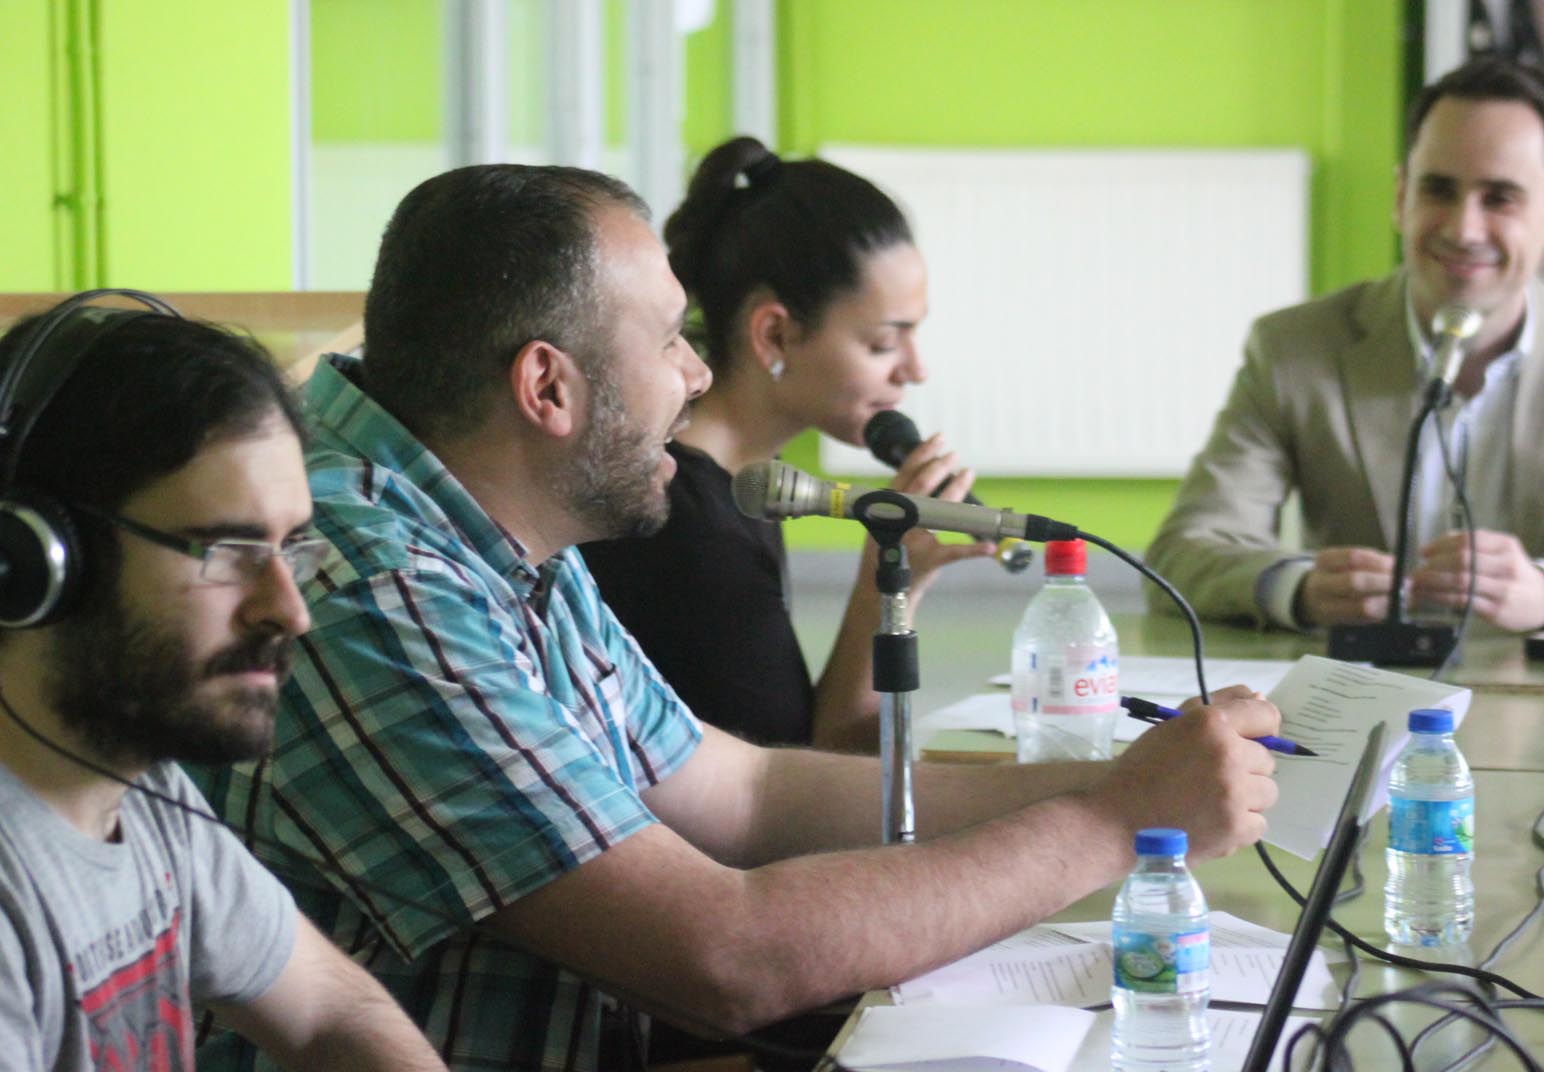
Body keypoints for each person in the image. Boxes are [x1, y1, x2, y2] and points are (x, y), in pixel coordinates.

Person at [191, 164, 1281, 1072]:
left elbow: (750, 793)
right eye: (671, 340)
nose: (698, 374)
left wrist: (1128, 778)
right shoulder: (372, 584)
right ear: (547, 388)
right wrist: (1114, 825)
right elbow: (723, 958)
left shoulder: (499, 525)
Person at [0, 301, 445, 1071]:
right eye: (229, 552)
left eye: (292, 549)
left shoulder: (137, 785)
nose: (291, 611)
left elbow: (332, 1013)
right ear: (33, 561)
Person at [1147, 57, 1544, 632]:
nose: (1463, 229)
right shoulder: (1294, 349)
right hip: (1354, 683)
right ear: (1401, 197)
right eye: (1439, 190)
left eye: (1500, 198)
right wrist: (1296, 588)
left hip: (1541, 679)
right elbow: (1183, 551)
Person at [580, 136, 992, 751]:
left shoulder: (742, 481)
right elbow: (812, 774)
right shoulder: (693, 534)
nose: (915, 369)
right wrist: (888, 584)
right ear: (774, 334)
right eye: (883, 343)